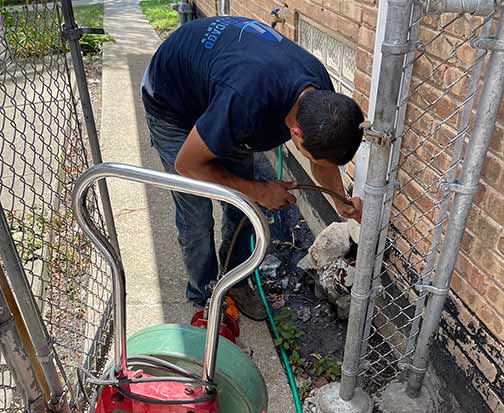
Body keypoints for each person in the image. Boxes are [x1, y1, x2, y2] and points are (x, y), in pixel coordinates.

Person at [141, 16, 364, 321]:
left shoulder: (321, 96)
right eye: (315, 157)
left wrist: (339, 198)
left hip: (220, 91)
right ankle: (205, 294)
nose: (318, 164)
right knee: (196, 212)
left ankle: (233, 282)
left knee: (244, 207)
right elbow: (187, 163)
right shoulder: (245, 101)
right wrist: (259, 190)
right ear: (295, 134)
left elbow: (320, 161)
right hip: (172, 102)